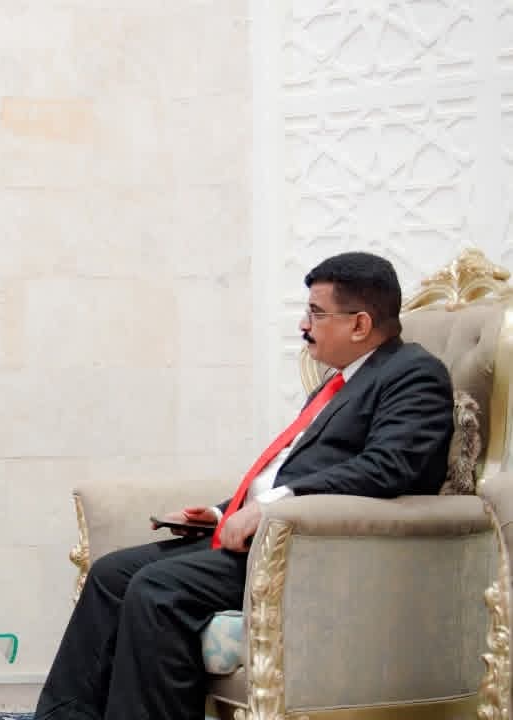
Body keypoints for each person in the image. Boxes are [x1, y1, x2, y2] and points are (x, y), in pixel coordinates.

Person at [35, 252, 454, 720]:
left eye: (316, 313)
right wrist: (221, 513)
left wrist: (272, 508)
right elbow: (290, 472)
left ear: (359, 324)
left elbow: (389, 467)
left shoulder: (414, 374)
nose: (303, 325)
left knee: (157, 589)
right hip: (266, 534)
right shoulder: (339, 383)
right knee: (111, 574)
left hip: (310, 550)